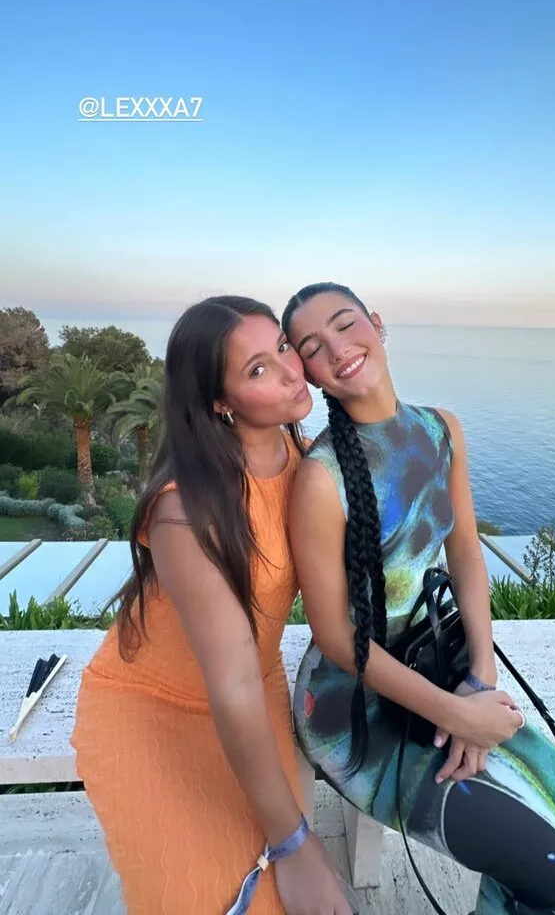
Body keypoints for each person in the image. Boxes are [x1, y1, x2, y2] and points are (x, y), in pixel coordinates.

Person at [282, 282, 555, 915]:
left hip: (441, 664)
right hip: (355, 712)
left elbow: (465, 554)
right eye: (313, 347)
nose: (338, 349)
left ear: (377, 324)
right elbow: (336, 639)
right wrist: (456, 716)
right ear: (310, 373)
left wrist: (480, 681)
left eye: (346, 325)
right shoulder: (321, 479)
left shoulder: (441, 429)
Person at [71, 296, 354, 915]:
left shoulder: (306, 462)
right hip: (153, 705)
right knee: (211, 898)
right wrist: (292, 843)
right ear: (221, 402)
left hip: (254, 688)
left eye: (283, 346)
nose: (290, 371)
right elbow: (229, 684)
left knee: (278, 900)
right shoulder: (183, 510)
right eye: (258, 369)